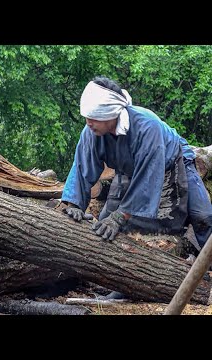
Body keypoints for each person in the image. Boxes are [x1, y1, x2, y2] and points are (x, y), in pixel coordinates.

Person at [61, 76, 212, 253]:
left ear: (111, 113)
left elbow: (147, 179)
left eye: (94, 117)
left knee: (203, 216)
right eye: (87, 116)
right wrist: (74, 205)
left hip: (173, 161)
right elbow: (81, 168)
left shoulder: (147, 127)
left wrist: (119, 217)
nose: (88, 122)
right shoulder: (91, 132)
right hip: (129, 171)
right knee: (103, 222)